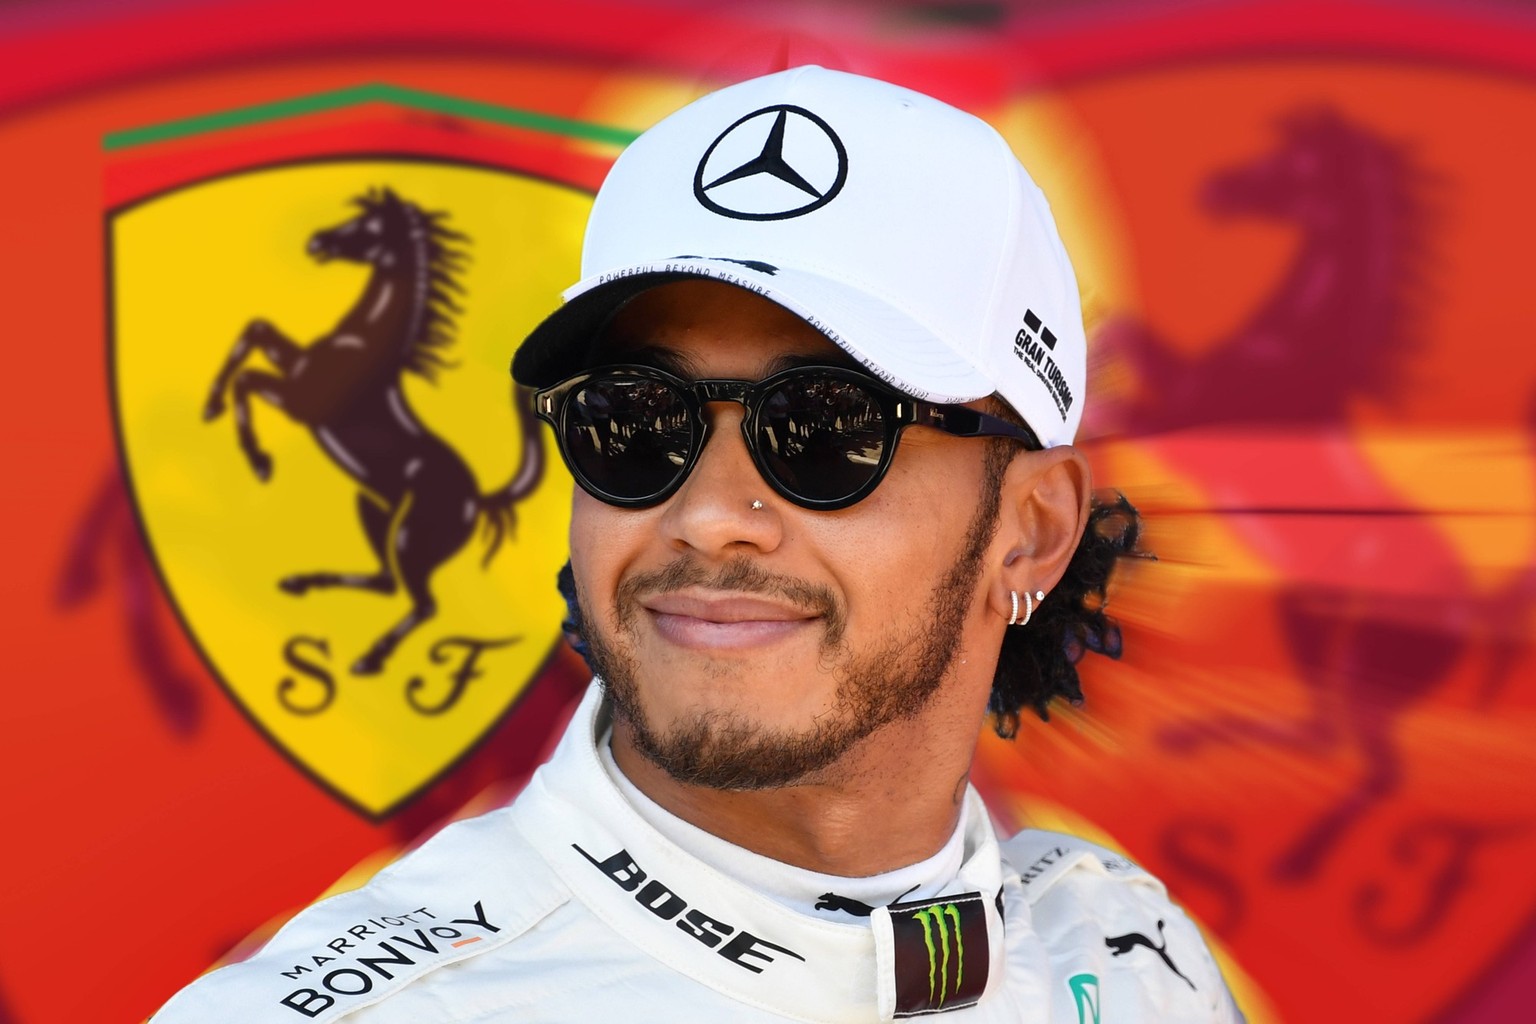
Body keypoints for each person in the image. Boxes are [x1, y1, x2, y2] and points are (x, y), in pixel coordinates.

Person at [155, 65, 1244, 1023]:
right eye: (636, 422)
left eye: (825, 428)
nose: (707, 513)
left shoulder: (1133, 965)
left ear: (1033, 529)